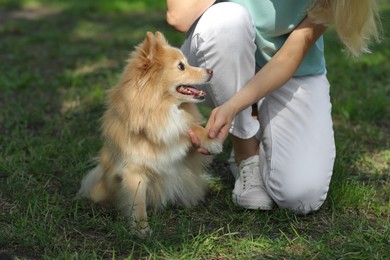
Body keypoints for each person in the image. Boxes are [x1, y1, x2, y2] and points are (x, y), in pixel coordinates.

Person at [166, 0, 381, 213]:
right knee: (225, 21)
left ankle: (259, 123)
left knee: (301, 196)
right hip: (219, 53)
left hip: (292, 68)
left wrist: (233, 105)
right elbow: (179, 16)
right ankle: (246, 154)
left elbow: (290, 55)